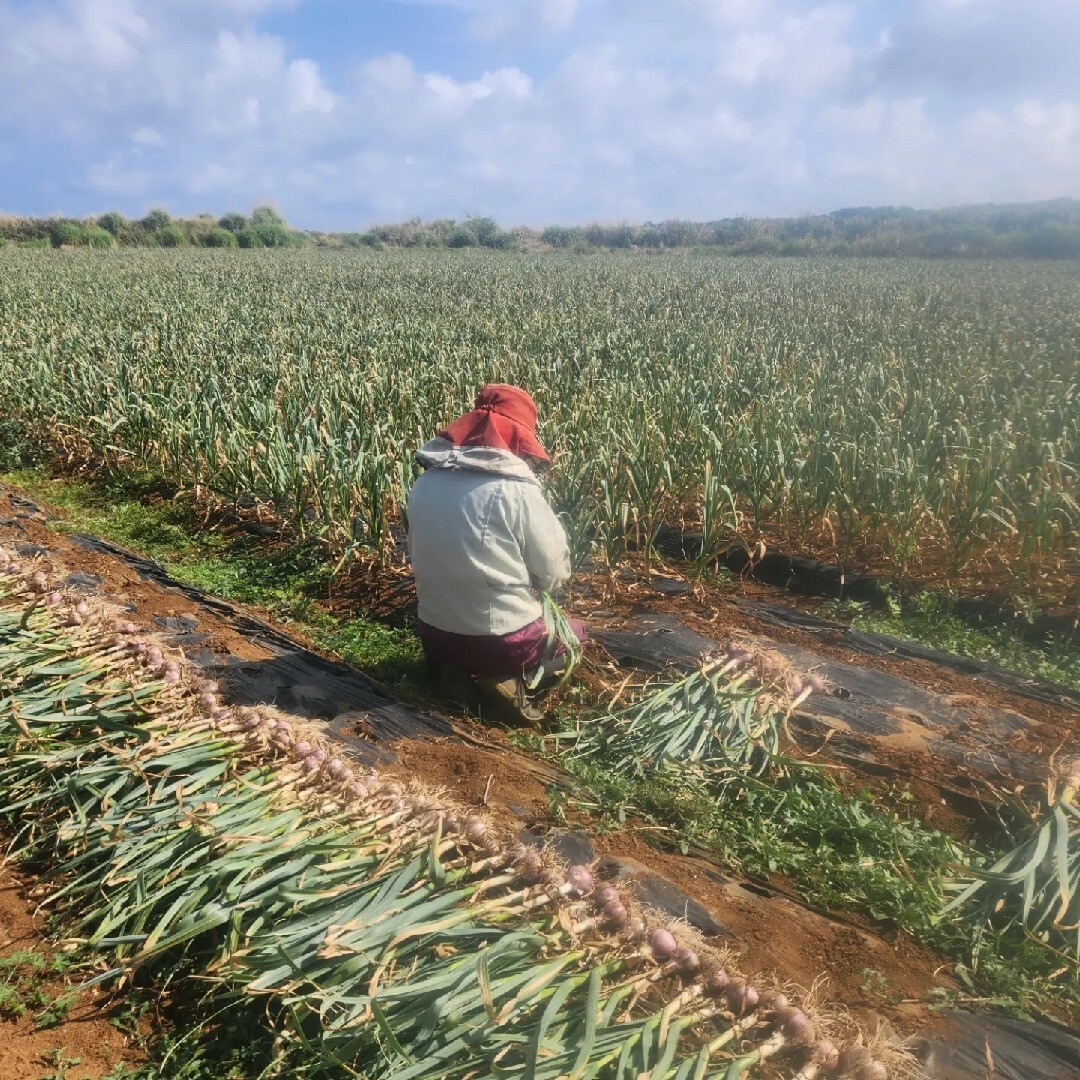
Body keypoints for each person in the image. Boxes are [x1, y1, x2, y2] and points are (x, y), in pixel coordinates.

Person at [406, 383, 586, 722]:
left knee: (460, 637)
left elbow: (416, 553)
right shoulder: (515, 491)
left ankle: (455, 672)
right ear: (516, 439)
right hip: (503, 641)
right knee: (575, 635)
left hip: (434, 635)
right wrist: (539, 585)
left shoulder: (424, 483)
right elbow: (553, 571)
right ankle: (510, 680)